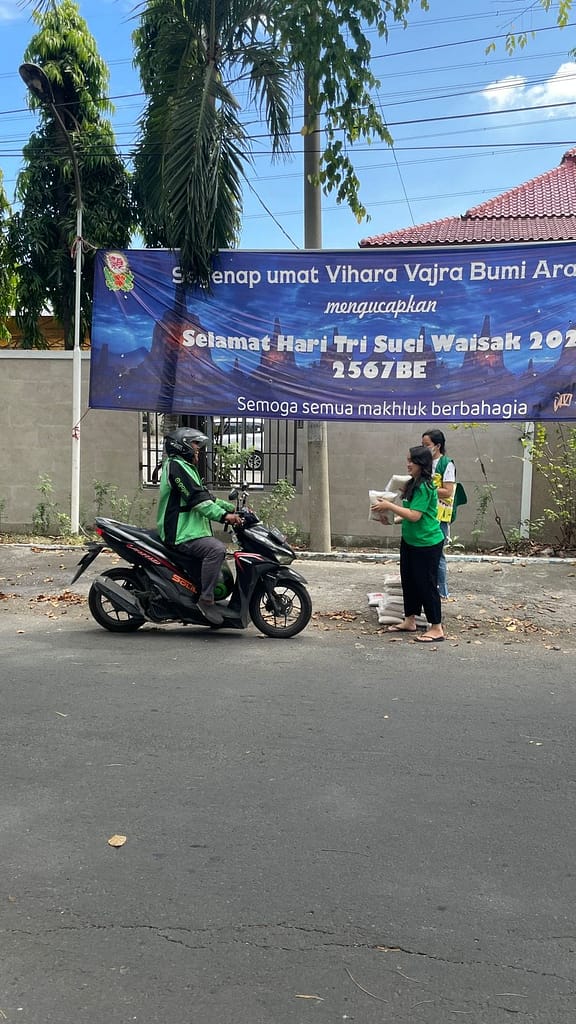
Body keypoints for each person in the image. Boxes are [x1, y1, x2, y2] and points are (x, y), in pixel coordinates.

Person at [157, 427, 242, 624]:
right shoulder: (176, 467)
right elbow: (197, 500)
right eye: (195, 444)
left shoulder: (186, 467)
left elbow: (206, 496)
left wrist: (232, 508)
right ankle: (206, 600)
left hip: (191, 531)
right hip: (180, 533)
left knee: (213, 551)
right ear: (182, 446)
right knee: (216, 550)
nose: (198, 449)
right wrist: (224, 516)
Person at [371, 444, 445, 643]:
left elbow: (414, 515)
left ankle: (436, 628)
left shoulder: (425, 486)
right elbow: (409, 515)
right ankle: (409, 620)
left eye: (412, 461)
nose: (408, 464)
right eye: (408, 460)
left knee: (426, 584)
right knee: (409, 581)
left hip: (427, 543)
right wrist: (390, 520)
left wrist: (389, 506)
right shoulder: (412, 484)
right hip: (411, 541)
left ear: (422, 463)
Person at [422, 428, 456, 600]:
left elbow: (448, 491)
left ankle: (442, 590)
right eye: (422, 445)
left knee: (438, 553)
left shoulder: (446, 464)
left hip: (440, 515)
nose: (424, 448)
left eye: (427, 445)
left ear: (438, 445)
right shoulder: (424, 463)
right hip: (424, 511)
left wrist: (427, 489)